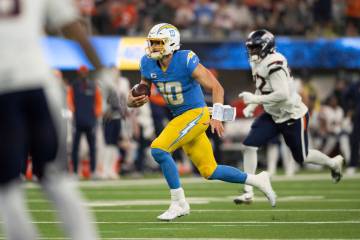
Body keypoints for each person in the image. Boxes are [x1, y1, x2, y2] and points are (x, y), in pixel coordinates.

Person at [127, 23, 276, 221]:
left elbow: (217, 87)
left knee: (159, 149)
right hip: (181, 118)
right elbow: (143, 88)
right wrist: (132, 100)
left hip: (197, 113)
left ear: (171, 44)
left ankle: (179, 203)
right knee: (210, 170)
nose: (153, 47)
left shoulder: (185, 59)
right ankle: (257, 180)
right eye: (152, 43)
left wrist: (216, 116)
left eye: (158, 43)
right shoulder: (147, 63)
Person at [0, 0, 114, 239]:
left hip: (5, 92)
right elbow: (72, 26)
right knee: (53, 174)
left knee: (7, 183)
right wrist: (101, 71)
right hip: (36, 83)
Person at [236, 29, 344, 204]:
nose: (251, 51)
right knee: (249, 145)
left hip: (292, 114)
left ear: (266, 47)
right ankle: (248, 191)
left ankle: (333, 163)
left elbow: (283, 95)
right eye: (250, 48)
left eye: (255, 48)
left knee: (302, 157)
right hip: (272, 114)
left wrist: (256, 99)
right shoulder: (257, 62)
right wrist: (253, 105)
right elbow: (262, 86)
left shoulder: (274, 63)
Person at [68, 65, 103, 178]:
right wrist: (73, 112)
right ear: (79, 72)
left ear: (87, 72)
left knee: (92, 148)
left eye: (84, 71)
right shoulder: (74, 86)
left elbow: (98, 102)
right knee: (75, 148)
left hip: (90, 121)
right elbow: (69, 100)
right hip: (77, 120)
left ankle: (93, 172)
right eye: (81, 71)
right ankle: (74, 173)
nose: (83, 73)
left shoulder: (93, 86)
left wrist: (96, 114)